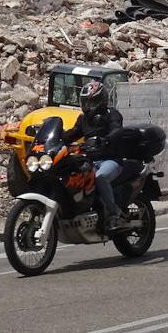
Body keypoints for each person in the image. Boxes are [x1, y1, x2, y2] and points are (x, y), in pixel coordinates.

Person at [64, 80, 127, 235]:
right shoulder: (83, 119)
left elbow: (117, 131)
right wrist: (57, 138)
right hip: (90, 161)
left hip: (111, 160)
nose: (88, 105)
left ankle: (114, 214)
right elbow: (73, 133)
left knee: (100, 178)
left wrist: (105, 139)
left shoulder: (112, 114)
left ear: (101, 100)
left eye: (91, 101)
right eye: (85, 102)